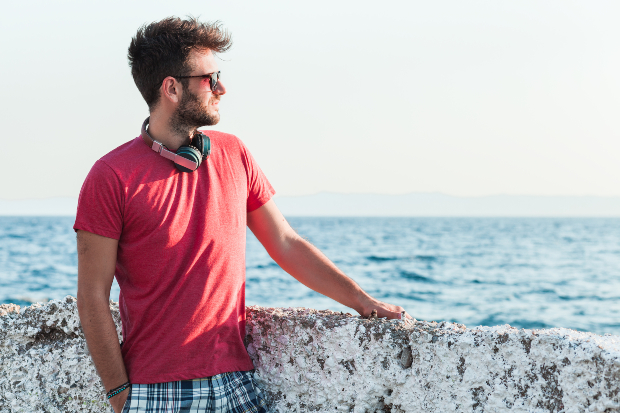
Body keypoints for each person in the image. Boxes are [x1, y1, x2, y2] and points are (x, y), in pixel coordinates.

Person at [75, 16, 410, 413]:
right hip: (156, 391)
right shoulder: (111, 176)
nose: (222, 88)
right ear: (171, 87)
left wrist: (361, 301)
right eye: (210, 78)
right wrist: (118, 393)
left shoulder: (234, 152)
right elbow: (93, 297)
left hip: (236, 383)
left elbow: (285, 244)